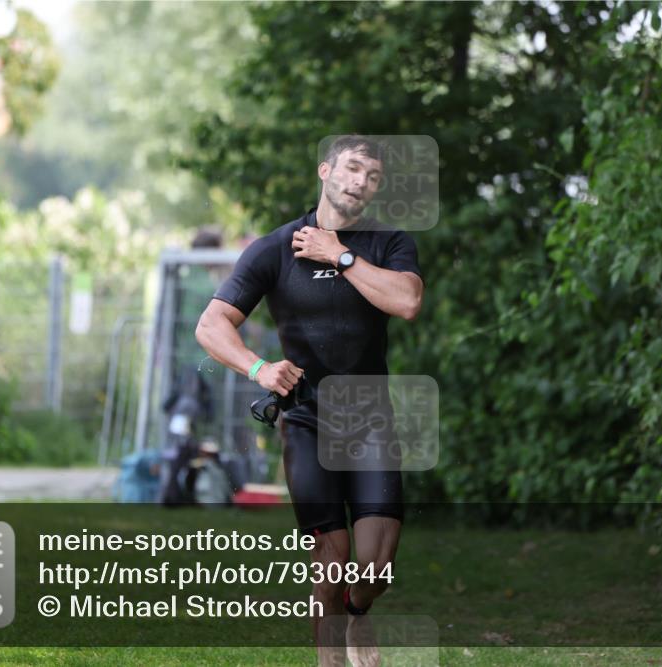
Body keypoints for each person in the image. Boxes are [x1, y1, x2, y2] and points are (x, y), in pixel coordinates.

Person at [195, 135, 424, 666]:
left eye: (370, 175)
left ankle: (358, 613)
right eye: (350, 169)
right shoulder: (275, 249)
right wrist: (258, 367)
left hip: (370, 423)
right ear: (325, 171)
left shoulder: (388, 243)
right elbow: (212, 324)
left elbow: (408, 301)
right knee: (331, 559)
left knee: (374, 570)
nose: (358, 181)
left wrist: (339, 254)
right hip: (306, 419)